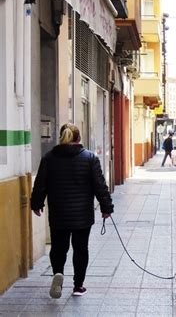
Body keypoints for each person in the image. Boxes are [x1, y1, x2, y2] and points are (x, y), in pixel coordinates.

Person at [30, 123, 114, 299]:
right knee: (80, 249)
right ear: (78, 138)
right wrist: (106, 207)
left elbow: (40, 185)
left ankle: (58, 274)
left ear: (61, 137)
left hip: (58, 214)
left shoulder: (49, 158)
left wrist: (36, 204)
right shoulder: (90, 158)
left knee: (58, 248)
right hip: (82, 215)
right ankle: (78, 286)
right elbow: (100, 186)